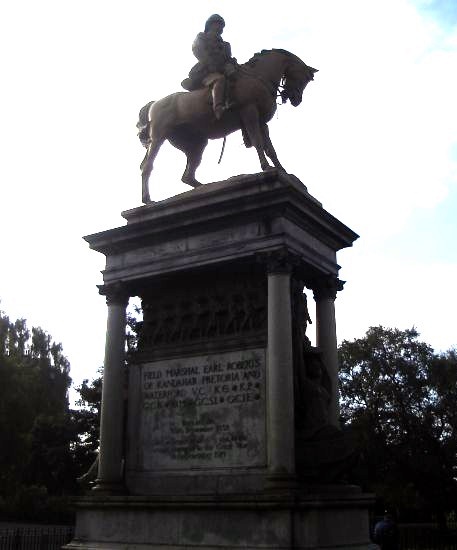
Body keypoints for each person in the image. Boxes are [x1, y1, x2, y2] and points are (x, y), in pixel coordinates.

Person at [181, 14, 236, 120]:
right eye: (217, 24)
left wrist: (231, 65)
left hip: (223, 70)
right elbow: (199, 51)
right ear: (210, 25)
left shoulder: (226, 45)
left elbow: (228, 59)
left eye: (222, 26)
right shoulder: (202, 37)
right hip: (205, 71)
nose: (220, 27)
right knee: (219, 79)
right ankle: (218, 108)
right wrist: (214, 66)